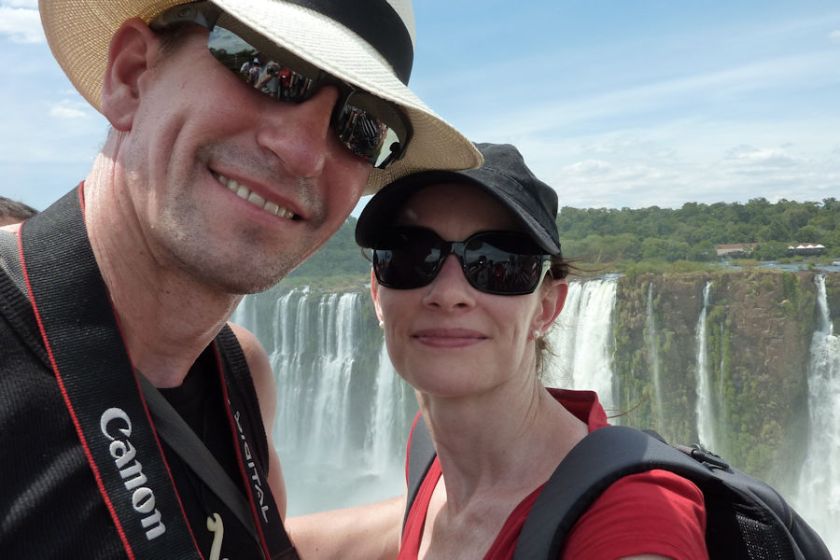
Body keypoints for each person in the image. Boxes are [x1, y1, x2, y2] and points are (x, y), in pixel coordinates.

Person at [0, 0, 480, 558]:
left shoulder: (240, 373)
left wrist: (474, 511)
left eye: (362, 127)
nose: (303, 153)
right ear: (132, 76)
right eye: (265, 66)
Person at [352, 142, 708, 559]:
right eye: (411, 255)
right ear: (378, 293)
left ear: (546, 308)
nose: (448, 294)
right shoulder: (432, 455)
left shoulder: (632, 512)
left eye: (497, 263)